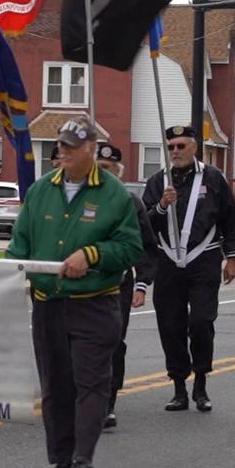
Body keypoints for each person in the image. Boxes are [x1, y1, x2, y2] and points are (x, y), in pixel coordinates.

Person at [6, 116, 142, 468]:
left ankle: (84, 459)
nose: (62, 153)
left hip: (94, 304)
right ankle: (61, 463)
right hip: (49, 303)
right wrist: (12, 273)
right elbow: (20, 244)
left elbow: (132, 248)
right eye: (60, 146)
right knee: (56, 387)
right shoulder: (40, 192)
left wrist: (93, 253)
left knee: (91, 384)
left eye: (70, 146)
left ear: (90, 150)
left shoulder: (114, 194)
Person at [142, 125, 235, 414]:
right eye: (171, 147)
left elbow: (230, 219)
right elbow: (144, 226)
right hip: (168, 263)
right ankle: (179, 388)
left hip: (204, 259)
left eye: (181, 146)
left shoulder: (212, 179)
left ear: (194, 147)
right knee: (171, 326)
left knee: (201, 322)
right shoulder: (157, 183)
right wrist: (162, 206)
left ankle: (201, 383)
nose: (175, 151)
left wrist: (232, 257)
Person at [94, 142, 156, 429]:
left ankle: (108, 402)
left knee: (113, 342)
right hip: (82, 283)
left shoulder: (130, 203)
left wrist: (142, 284)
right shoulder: (77, 198)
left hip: (118, 282)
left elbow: (146, 246)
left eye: (108, 169)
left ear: (118, 172)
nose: (103, 172)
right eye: (99, 167)